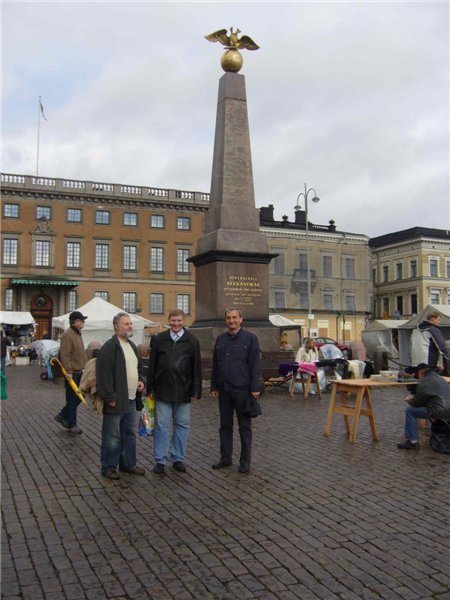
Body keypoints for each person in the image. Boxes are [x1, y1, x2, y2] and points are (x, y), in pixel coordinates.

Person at [147, 309, 202, 475]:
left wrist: (196, 389)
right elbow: (152, 365)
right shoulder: (159, 339)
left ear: (184, 321)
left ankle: (178, 457)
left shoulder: (192, 340)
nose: (176, 324)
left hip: (183, 389)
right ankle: (160, 459)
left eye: (179, 320)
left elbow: (196, 367)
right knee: (161, 426)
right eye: (173, 320)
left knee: (182, 425)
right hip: (162, 389)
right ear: (168, 321)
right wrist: (150, 388)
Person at [211, 308, 262, 474]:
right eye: (228, 318)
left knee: (244, 427)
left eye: (234, 317)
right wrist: (214, 386)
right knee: (225, 425)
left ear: (241, 319)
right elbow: (216, 365)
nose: (231, 320)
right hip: (224, 389)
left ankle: (245, 461)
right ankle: (225, 458)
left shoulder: (250, 339)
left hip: (243, 390)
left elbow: (255, 364)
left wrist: (255, 387)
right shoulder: (221, 339)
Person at [96, 312, 146, 480]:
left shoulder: (131, 345)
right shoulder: (110, 347)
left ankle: (128, 464)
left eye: (130, 324)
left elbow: (138, 368)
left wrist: (141, 381)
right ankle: (109, 467)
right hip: (116, 399)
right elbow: (104, 374)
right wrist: (109, 396)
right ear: (117, 327)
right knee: (112, 436)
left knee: (129, 433)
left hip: (131, 399)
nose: (130, 326)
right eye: (126, 324)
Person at [397, 363, 450, 450]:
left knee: (410, 411)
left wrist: (410, 400)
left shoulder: (423, 382)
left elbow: (417, 403)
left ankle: (412, 441)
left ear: (420, 373)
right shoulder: (440, 378)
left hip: (439, 410)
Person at [54, 311, 88, 434]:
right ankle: (72, 424)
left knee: (80, 396)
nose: (83, 322)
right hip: (72, 372)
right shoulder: (67, 335)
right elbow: (65, 354)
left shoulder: (77, 333)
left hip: (80, 371)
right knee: (72, 399)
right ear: (74, 322)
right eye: (81, 320)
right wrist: (68, 371)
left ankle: (62, 415)